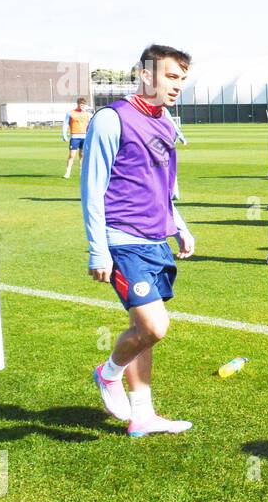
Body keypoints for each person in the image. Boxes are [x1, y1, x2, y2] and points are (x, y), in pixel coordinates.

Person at [82, 44, 196, 438]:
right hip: (122, 240)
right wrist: (98, 249)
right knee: (154, 326)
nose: (178, 85)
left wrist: (178, 223)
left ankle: (142, 415)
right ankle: (108, 372)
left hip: (155, 240)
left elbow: (162, 186)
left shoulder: (166, 121)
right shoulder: (112, 119)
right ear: (146, 75)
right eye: (171, 76)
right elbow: (92, 189)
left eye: (182, 78)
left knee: (141, 329)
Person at [62, 97, 92, 178]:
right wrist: (64, 134)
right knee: (72, 155)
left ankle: (82, 172)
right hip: (75, 137)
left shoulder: (88, 114)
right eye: (81, 104)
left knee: (82, 155)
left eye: (83, 105)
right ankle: (68, 172)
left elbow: (91, 125)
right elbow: (65, 124)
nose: (82, 106)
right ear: (78, 104)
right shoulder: (71, 113)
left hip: (85, 137)